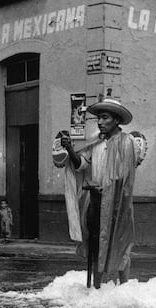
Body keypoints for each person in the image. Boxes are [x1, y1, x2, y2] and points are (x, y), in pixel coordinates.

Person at [61, 98, 138, 289]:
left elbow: (125, 174)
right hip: (95, 201)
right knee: (96, 242)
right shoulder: (96, 144)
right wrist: (70, 149)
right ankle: (97, 287)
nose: (101, 123)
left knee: (119, 241)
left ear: (116, 120)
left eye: (105, 118)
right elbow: (82, 165)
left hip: (117, 203)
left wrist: (108, 187)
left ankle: (124, 286)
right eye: (99, 119)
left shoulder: (127, 142)